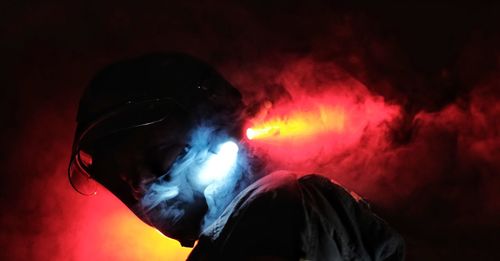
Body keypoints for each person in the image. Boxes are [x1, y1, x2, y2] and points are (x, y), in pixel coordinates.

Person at [68, 53, 405, 260]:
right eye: (123, 176)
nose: (141, 184)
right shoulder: (248, 225)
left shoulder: (268, 204)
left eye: (157, 155)